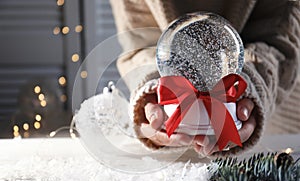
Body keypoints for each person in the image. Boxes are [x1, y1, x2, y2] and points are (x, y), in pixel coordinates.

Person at [109, 0, 300, 156]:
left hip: (276, 117)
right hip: (173, 118)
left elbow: (279, 35)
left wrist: (253, 84)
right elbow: (139, 40)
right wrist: (154, 85)